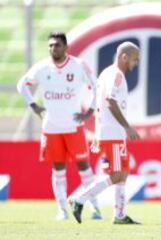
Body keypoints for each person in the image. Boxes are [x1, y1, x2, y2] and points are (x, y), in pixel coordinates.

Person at [17, 32, 101, 220]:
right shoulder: (42, 68)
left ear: (66, 47)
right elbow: (21, 85)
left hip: (73, 126)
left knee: (84, 167)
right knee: (58, 168)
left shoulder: (79, 66)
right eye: (50, 45)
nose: (53, 48)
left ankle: (95, 208)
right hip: (51, 127)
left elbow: (97, 86)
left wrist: (90, 111)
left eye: (57, 45)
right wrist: (34, 105)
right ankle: (62, 210)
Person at [69, 42, 141, 225]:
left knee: (123, 173)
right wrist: (127, 127)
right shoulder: (116, 75)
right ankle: (79, 199)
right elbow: (110, 101)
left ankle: (120, 215)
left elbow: (101, 104)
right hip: (113, 134)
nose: (136, 63)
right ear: (124, 56)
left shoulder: (107, 73)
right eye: (135, 59)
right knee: (117, 174)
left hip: (109, 133)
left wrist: (98, 132)